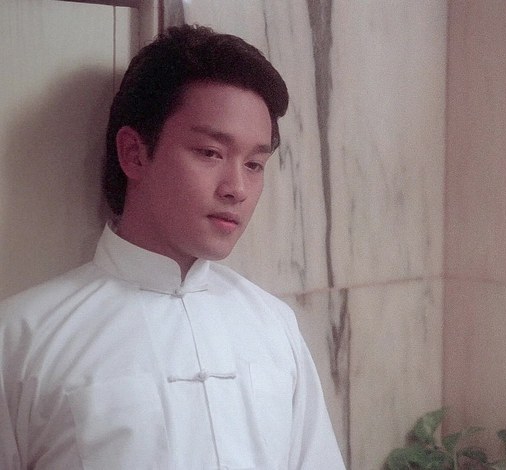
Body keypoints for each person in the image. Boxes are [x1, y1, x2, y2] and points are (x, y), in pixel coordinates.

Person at [0, 25, 345, 469]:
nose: (237, 188)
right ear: (134, 153)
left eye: (254, 164)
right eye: (210, 153)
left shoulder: (274, 326)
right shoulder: (22, 338)